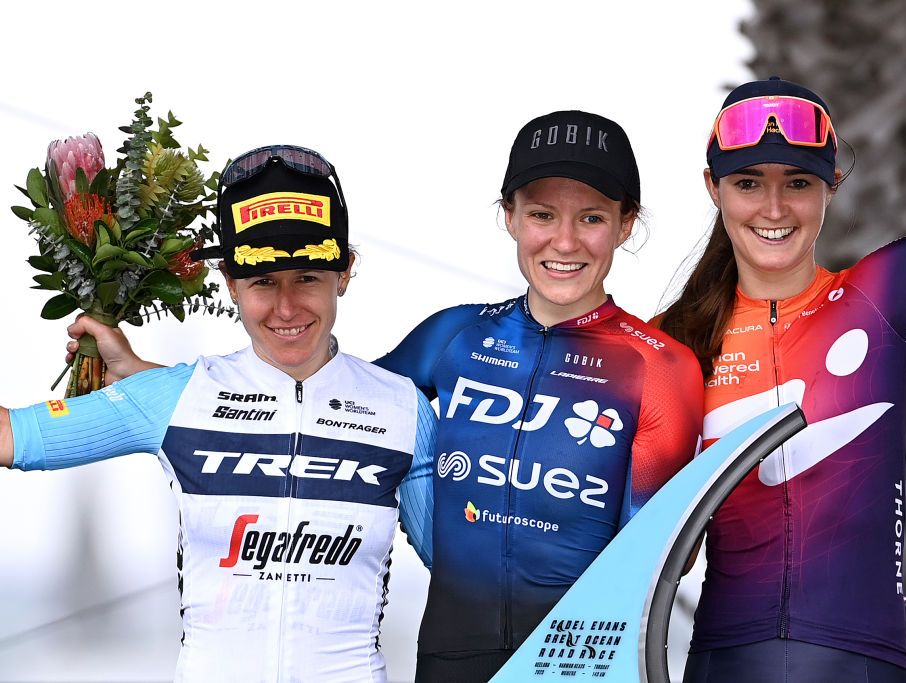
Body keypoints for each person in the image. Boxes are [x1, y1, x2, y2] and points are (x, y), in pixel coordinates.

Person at [69, 111, 707, 682]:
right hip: (452, 658)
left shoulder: (661, 368)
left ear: (625, 225)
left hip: (583, 661)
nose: (564, 242)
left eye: (591, 218)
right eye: (542, 214)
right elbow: (317, 406)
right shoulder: (452, 336)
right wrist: (145, 377)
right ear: (509, 216)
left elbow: (663, 561)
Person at [2, 144, 437, 683]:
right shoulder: (174, 396)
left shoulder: (402, 408)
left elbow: (471, 574)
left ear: (344, 273)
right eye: (262, 282)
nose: (285, 307)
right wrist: (144, 378)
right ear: (230, 283)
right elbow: (12, 435)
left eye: (306, 277)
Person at [655, 77, 906, 683]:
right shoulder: (668, 344)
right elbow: (662, 549)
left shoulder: (879, 297)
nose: (775, 209)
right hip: (726, 662)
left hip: (862, 662)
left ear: (833, 185)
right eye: (748, 183)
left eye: (798, 183)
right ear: (712, 188)